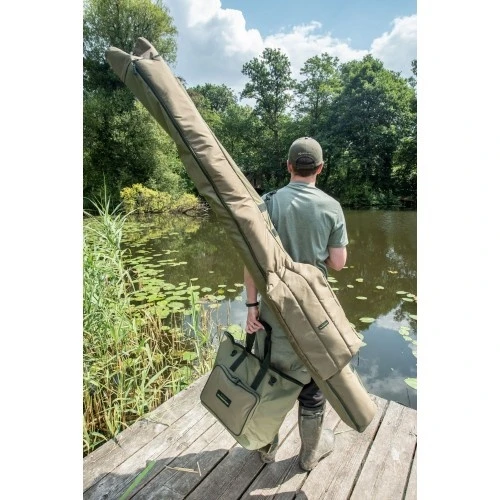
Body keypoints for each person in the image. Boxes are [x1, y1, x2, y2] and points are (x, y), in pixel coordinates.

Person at [243, 136, 348, 471]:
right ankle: (310, 454)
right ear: (320, 168)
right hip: (315, 315)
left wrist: (251, 307)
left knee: (269, 380)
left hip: (273, 314)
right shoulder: (331, 206)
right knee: (314, 386)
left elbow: (251, 262)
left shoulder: (267, 204)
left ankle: (267, 448)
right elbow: (338, 263)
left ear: (288, 166)